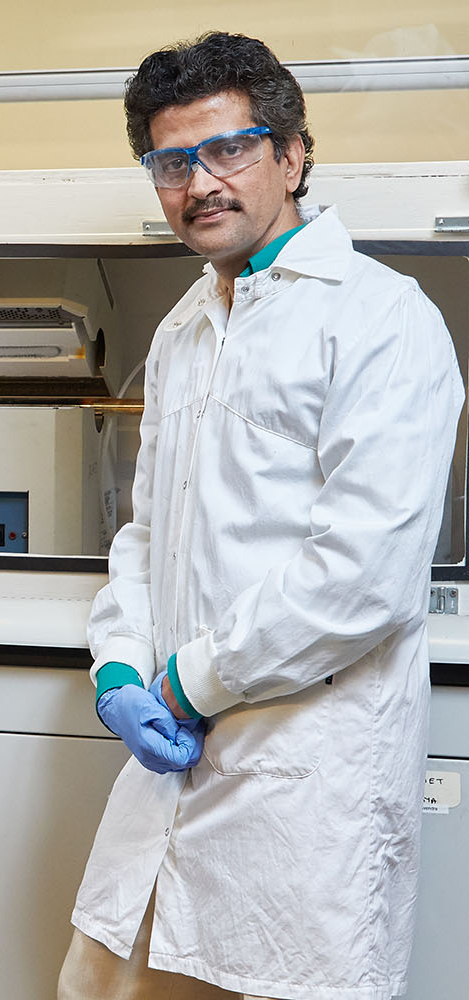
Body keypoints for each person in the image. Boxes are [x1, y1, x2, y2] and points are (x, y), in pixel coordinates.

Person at [57, 32, 464, 1000]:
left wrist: (189, 682)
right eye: (171, 162)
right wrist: (117, 661)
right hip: (169, 767)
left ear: (292, 153)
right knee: (102, 980)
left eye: (228, 149)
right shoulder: (184, 327)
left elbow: (363, 573)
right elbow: (147, 531)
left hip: (303, 781)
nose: (201, 182)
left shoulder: (380, 316)